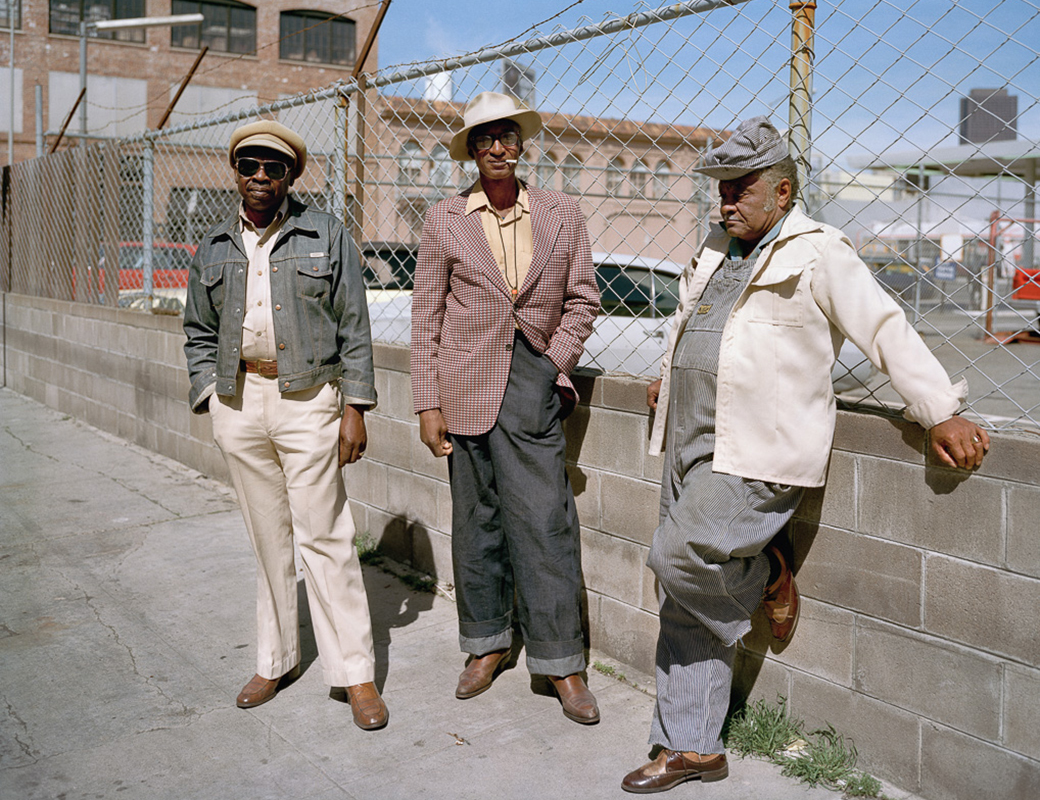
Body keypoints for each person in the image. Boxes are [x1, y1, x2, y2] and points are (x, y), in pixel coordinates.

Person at [621, 116, 990, 793]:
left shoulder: (820, 251)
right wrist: (671, 374)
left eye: (739, 189)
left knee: (675, 558)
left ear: (783, 192)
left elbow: (883, 327)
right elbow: (695, 329)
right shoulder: (715, 247)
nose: (724, 201)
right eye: (720, 189)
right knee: (679, 594)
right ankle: (691, 747)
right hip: (688, 438)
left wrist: (941, 409)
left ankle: (763, 570)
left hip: (757, 449)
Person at [183, 120, 388, 731]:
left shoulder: (326, 234)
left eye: (275, 168)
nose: (261, 178)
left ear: (292, 175)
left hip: (309, 400)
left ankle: (355, 675)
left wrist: (356, 406)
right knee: (267, 538)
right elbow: (196, 330)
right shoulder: (215, 244)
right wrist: (210, 399)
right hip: (240, 401)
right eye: (250, 167)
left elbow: (355, 326)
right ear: (237, 173)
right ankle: (274, 660)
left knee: (324, 535)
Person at [410, 91, 602, 723]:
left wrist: (553, 365)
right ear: (470, 150)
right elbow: (426, 317)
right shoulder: (444, 219)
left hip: (533, 380)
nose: (496, 148)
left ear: (522, 146)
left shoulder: (562, 212)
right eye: (483, 139)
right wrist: (426, 404)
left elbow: (583, 300)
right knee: (478, 522)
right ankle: (486, 645)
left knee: (545, 522)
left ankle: (560, 663)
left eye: (507, 137)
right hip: (463, 383)